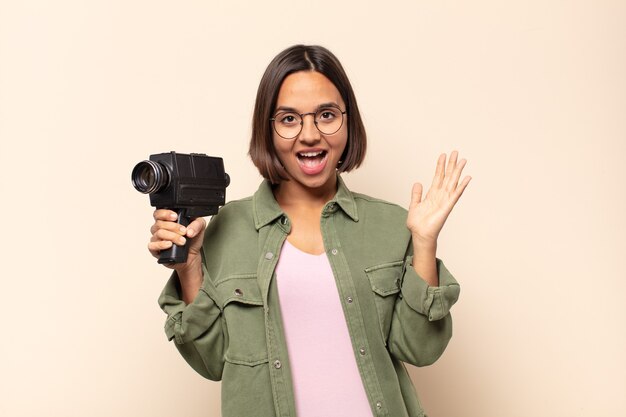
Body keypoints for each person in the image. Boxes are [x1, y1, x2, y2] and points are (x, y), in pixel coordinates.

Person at [149, 45, 471, 417]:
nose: (310, 135)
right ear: (267, 130)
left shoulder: (391, 225)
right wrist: (189, 268)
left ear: (348, 122)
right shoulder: (228, 228)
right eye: (289, 119)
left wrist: (424, 243)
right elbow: (211, 362)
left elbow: (421, 349)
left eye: (327, 115)